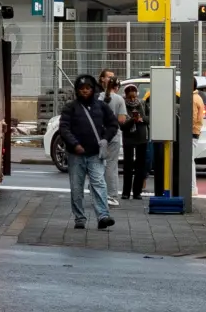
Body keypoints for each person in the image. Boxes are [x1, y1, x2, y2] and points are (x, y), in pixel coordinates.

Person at [58, 73, 118, 230]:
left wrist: (105, 139)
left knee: (99, 184)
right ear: (77, 90)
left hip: (95, 154)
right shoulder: (70, 107)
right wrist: (74, 144)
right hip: (75, 155)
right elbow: (64, 128)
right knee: (76, 187)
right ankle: (79, 217)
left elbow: (113, 124)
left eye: (88, 88)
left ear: (93, 89)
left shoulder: (101, 107)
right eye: (82, 88)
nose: (85, 91)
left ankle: (103, 216)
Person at [97, 70, 123, 207]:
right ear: (117, 87)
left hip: (100, 135)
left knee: (99, 164)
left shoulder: (99, 98)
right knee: (112, 166)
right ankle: (111, 195)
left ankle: (97, 191)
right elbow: (122, 119)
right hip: (113, 135)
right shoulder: (119, 99)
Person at [118, 83, 149, 199]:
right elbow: (122, 125)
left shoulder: (142, 103)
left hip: (141, 137)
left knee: (140, 165)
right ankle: (126, 192)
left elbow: (149, 119)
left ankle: (137, 192)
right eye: (130, 97)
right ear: (125, 96)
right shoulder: (123, 105)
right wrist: (132, 120)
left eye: (134, 96)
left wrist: (141, 119)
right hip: (129, 138)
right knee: (128, 166)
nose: (132, 99)